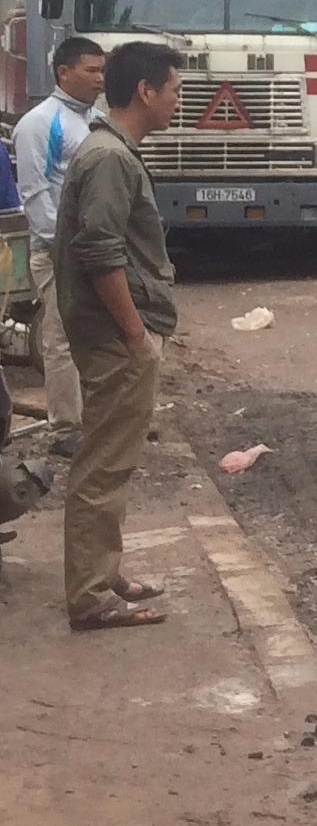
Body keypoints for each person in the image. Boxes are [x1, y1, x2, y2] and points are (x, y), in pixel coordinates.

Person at [55, 41, 181, 630]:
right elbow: (99, 251)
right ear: (145, 92)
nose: (179, 102)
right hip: (114, 337)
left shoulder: (113, 151)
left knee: (113, 460)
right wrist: (135, 336)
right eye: (174, 90)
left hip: (115, 333)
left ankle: (104, 573)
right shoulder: (110, 158)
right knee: (104, 464)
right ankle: (89, 596)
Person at [14, 35, 107, 456]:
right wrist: (64, 248)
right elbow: (34, 194)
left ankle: (98, 421)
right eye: (91, 71)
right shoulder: (39, 123)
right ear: (63, 72)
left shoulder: (95, 119)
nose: (99, 79)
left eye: (102, 70)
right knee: (62, 338)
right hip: (57, 254)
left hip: (96, 251)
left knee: (99, 337)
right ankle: (66, 429)